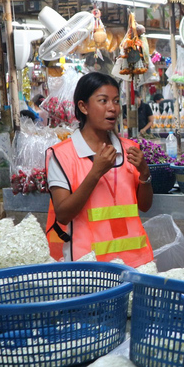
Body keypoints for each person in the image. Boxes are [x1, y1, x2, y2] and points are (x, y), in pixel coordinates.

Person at [45, 72, 154, 266]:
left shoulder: (130, 149)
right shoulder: (62, 155)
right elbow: (63, 214)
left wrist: (145, 174)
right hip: (88, 269)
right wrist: (95, 172)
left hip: (135, 265)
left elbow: (144, 206)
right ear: (83, 107)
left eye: (115, 101)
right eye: (103, 101)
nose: (112, 108)